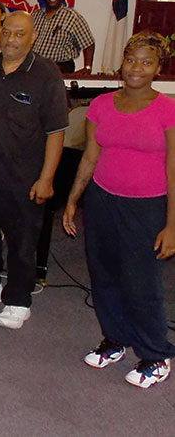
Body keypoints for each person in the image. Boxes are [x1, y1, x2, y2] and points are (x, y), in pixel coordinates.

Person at [63, 32, 175, 389]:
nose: (137, 68)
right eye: (131, 60)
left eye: (147, 61)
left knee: (141, 282)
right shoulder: (101, 105)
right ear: (121, 63)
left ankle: (155, 355)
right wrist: (73, 199)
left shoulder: (168, 109)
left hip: (148, 207)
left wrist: (173, 224)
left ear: (159, 68)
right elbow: (91, 156)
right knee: (105, 275)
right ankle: (115, 339)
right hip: (103, 201)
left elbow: (174, 167)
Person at [0, 11, 67, 330]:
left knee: (22, 242)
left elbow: (56, 130)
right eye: (7, 33)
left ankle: (18, 300)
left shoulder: (46, 74)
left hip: (25, 177)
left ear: (32, 38)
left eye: (20, 34)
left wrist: (47, 178)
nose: (11, 39)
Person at [31, 0, 95, 74]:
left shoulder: (73, 17)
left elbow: (89, 44)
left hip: (59, 68)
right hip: (34, 66)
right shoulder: (35, 15)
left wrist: (88, 67)